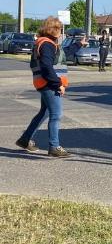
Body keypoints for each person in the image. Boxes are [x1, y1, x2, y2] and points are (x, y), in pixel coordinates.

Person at [16, 17, 86, 157]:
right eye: (59, 29)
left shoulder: (47, 43)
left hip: (45, 83)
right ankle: (54, 147)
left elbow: (63, 53)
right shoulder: (47, 44)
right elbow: (46, 66)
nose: (61, 32)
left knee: (45, 112)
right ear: (53, 30)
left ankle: (25, 139)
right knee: (56, 115)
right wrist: (58, 84)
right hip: (49, 84)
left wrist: (79, 44)